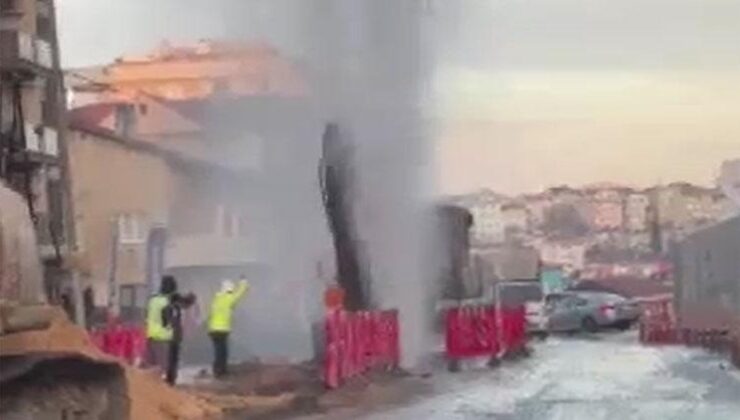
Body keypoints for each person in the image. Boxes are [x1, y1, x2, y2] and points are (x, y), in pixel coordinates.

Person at [208, 277, 249, 377]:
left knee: (218, 350)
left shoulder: (216, 299)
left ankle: (217, 369)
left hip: (213, 329)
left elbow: (211, 313)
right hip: (222, 329)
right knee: (222, 351)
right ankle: (220, 371)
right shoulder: (229, 299)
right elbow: (240, 294)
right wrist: (243, 282)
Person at [162, 290, 196, 385]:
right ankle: (170, 379)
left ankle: (171, 378)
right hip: (173, 336)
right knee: (172, 358)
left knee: (172, 358)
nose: (186, 307)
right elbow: (171, 323)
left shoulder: (172, 308)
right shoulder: (174, 309)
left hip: (173, 335)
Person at [145, 276, 176, 375]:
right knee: (161, 368)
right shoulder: (166, 303)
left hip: (151, 336)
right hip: (162, 338)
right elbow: (167, 321)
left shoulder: (153, 300)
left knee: (150, 366)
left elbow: (147, 316)